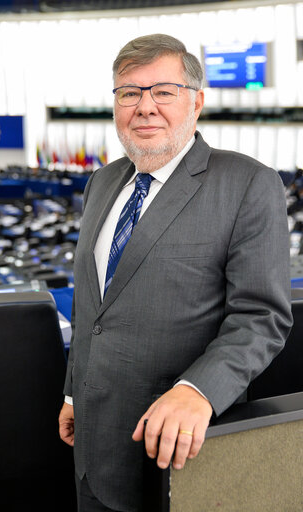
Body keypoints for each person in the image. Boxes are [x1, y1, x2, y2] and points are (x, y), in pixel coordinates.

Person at [59, 33, 292, 512]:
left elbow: (261, 317)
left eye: (163, 91)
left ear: (196, 102)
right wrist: (74, 393)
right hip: (91, 442)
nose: (145, 107)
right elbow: (93, 309)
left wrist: (198, 390)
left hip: (177, 448)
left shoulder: (248, 183)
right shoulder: (102, 182)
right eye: (130, 92)